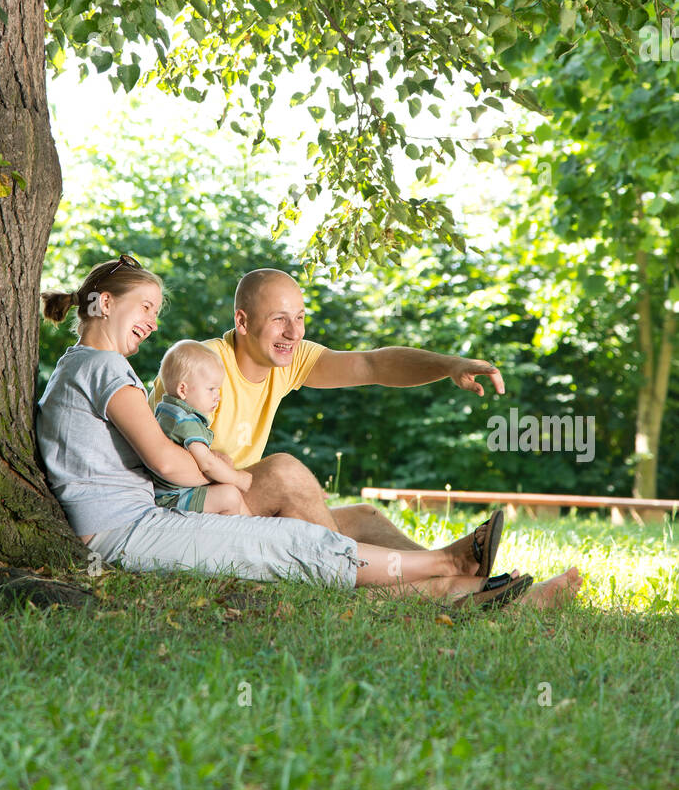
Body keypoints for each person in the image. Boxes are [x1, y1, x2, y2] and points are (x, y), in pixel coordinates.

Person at [36, 253, 581, 609]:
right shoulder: (200, 367)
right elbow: (166, 460)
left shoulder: (289, 359)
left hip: (217, 500)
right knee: (287, 478)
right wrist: (234, 481)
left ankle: (470, 583)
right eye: (280, 319)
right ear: (243, 322)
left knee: (363, 517)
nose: (293, 331)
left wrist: (448, 365)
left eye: (300, 317)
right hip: (192, 504)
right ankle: (439, 589)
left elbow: (372, 364)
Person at [149, 341, 251, 516]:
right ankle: (240, 530)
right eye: (211, 389)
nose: (218, 397)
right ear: (183, 390)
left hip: (172, 491)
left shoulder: (167, 411)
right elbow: (207, 463)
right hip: (172, 498)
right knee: (230, 495)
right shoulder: (185, 421)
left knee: (230, 491)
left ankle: (255, 525)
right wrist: (238, 478)